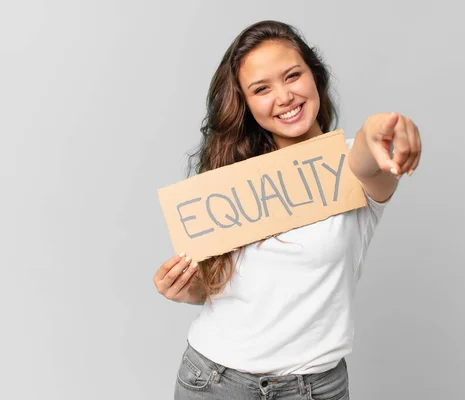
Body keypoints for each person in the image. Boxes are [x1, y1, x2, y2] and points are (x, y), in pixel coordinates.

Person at [153, 20, 422, 400]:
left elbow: (365, 157)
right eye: (261, 89)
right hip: (214, 381)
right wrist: (187, 289)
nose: (284, 97)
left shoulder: (350, 163)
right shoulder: (230, 181)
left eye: (292, 76)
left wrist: (377, 129)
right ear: (245, 104)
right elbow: (225, 290)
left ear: (314, 77)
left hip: (313, 389)